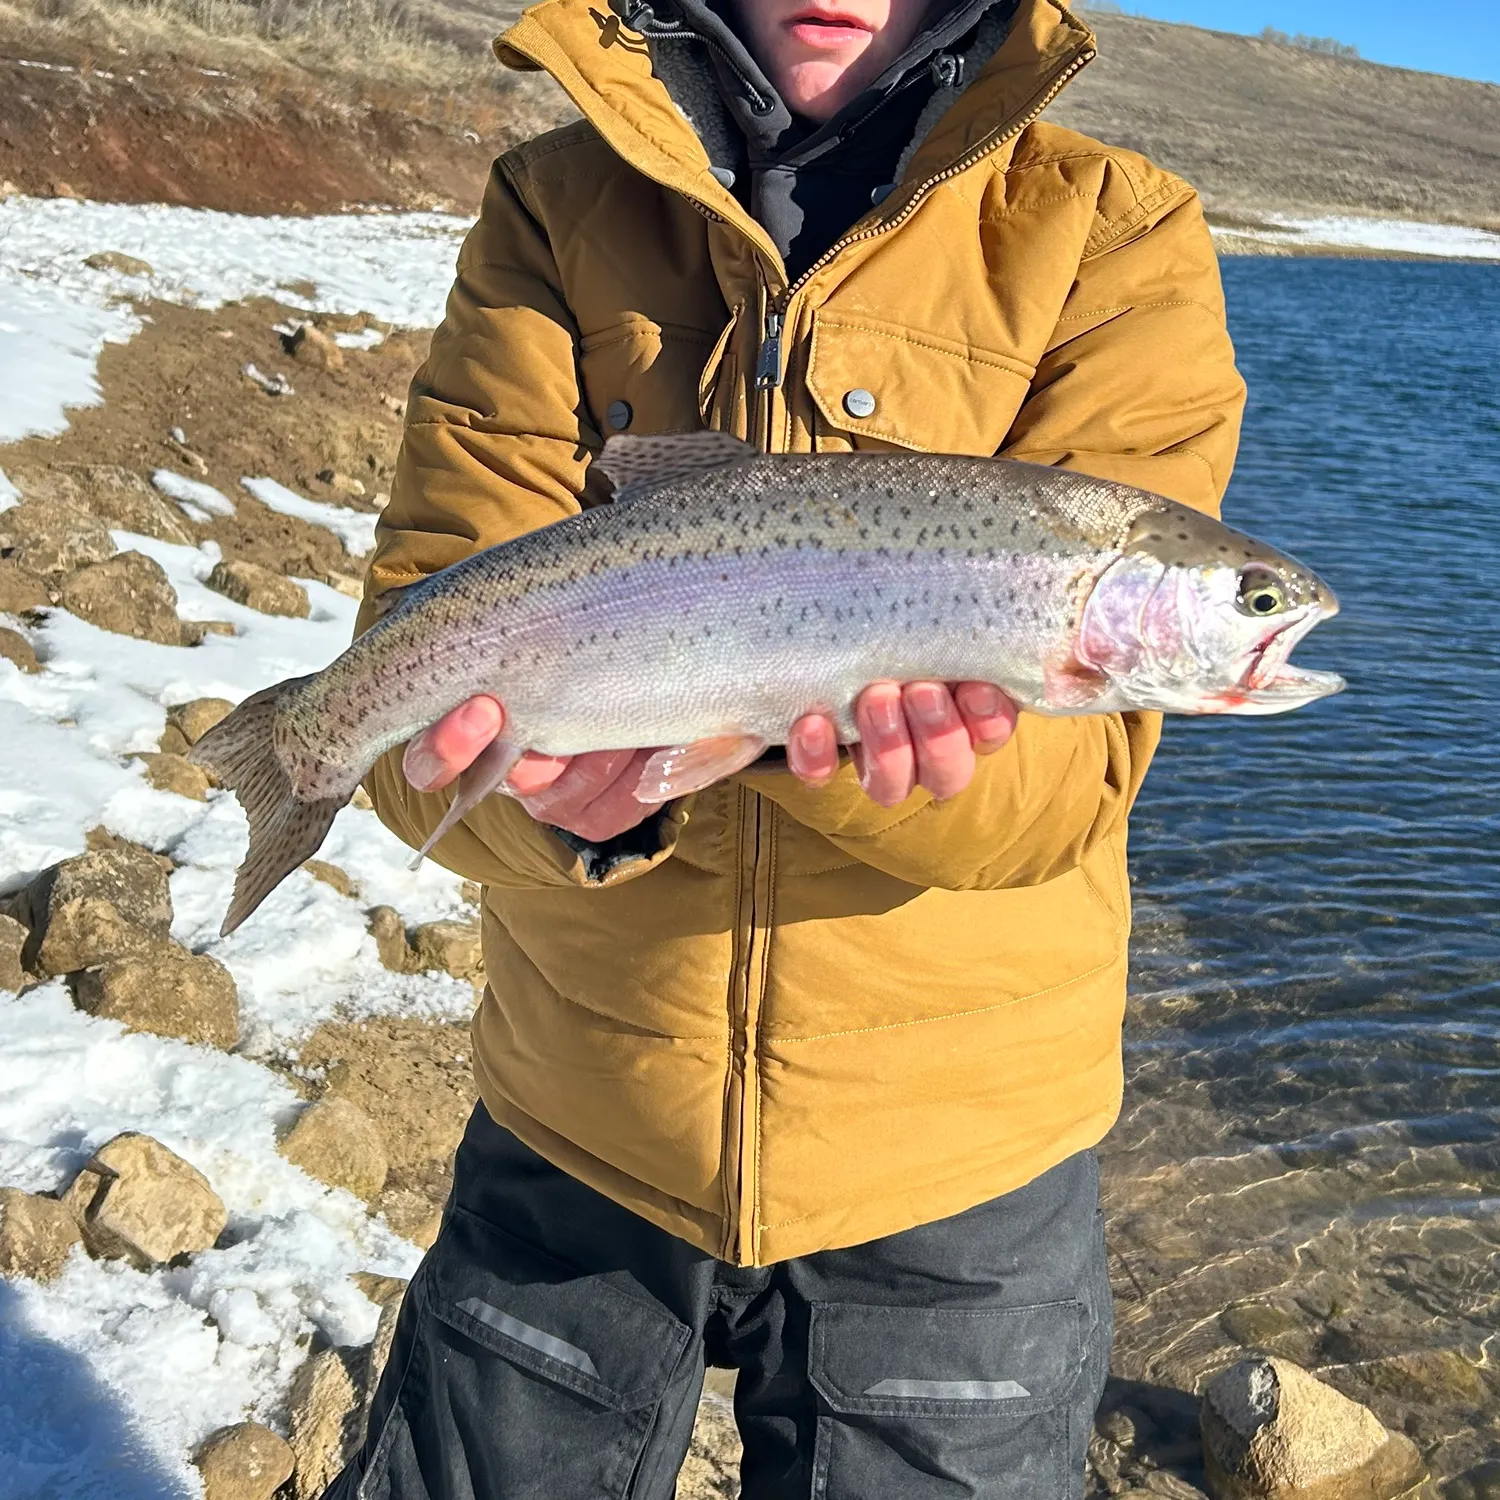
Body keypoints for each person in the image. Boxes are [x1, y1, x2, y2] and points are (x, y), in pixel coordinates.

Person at [326, 0, 1246, 1494]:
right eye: (1251, 603)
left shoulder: (1113, 232)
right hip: (581, 1115)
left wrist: (868, 765)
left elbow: (1070, 790)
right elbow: (413, 688)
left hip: (962, 1166)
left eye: (1249, 603)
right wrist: (561, 807)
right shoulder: (552, 205)